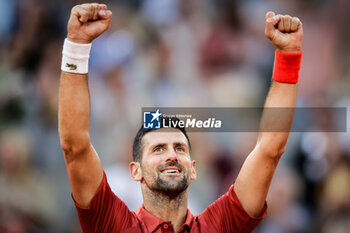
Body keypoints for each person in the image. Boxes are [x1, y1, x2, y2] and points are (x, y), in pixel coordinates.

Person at [58, 3, 303, 233]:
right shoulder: (112, 222)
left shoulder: (218, 225)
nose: (171, 154)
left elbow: (270, 149)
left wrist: (288, 55)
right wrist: (77, 47)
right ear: (135, 171)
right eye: (158, 149)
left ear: (194, 169)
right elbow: (74, 146)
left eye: (180, 148)